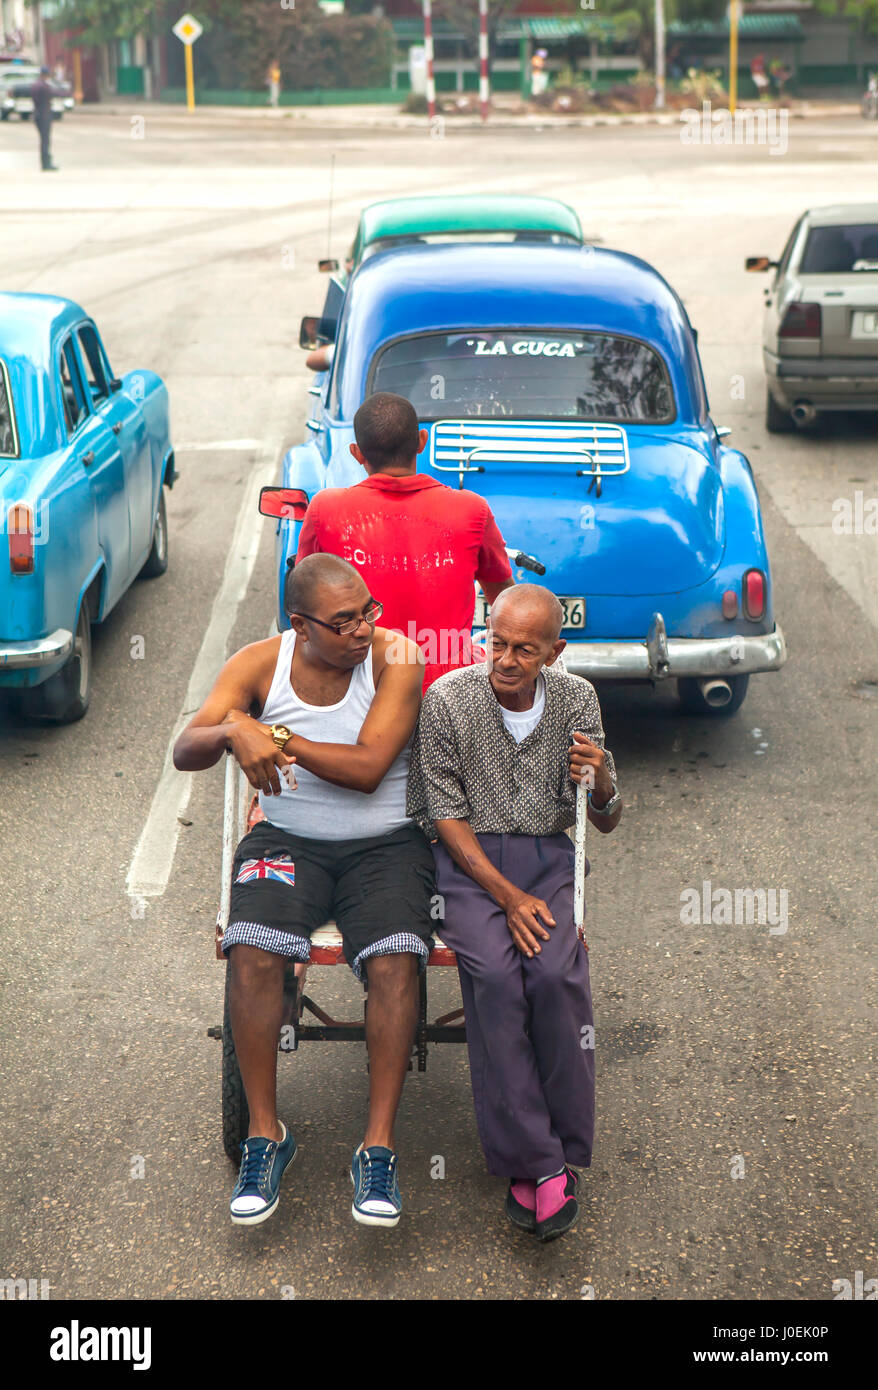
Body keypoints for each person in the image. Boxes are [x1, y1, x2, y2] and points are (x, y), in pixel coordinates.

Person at [173, 554, 436, 1228]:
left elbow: (372, 768)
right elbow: (187, 747)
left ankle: (377, 1148)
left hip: (385, 844)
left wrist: (277, 732)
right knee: (253, 953)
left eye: (367, 611)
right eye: (343, 621)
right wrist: (235, 726)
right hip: (287, 839)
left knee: (395, 959)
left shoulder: (396, 658)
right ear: (301, 625)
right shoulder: (261, 662)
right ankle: (266, 1136)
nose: (362, 629)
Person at [407, 585, 622, 1241]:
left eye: (523, 650)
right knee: (497, 980)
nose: (504, 659)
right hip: (469, 865)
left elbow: (605, 819)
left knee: (556, 976)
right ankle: (537, 1161)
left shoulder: (578, 700)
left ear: (554, 652)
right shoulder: (449, 700)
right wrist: (506, 895)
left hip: (548, 859)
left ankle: (561, 1144)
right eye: (496, 642)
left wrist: (603, 779)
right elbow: (443, 816)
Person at [296, 392, 515, 689]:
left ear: (357, 453)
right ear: (422, 441)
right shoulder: (471, 509)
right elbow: (506, 602)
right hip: (447, 690)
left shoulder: (325, 509)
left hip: (359, 685)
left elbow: (304, 601)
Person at [30, 66, 56, 172]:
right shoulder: (44, 87)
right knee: (45, 140)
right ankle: (46, 163)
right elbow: (50, 97)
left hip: (38, 114)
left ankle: (45, 162)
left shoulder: (35, 85)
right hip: (44, 116)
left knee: (43, 140)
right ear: (45, 75)